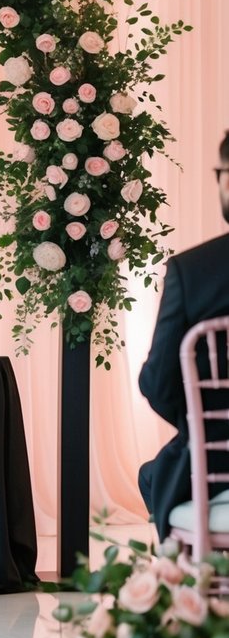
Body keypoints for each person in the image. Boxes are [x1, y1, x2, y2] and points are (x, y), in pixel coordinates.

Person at [137, 131, 229, 541]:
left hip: (217, 470)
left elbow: (158, 383)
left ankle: (195, 596)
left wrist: (202, 428)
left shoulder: (193, 273)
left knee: (153, 476)